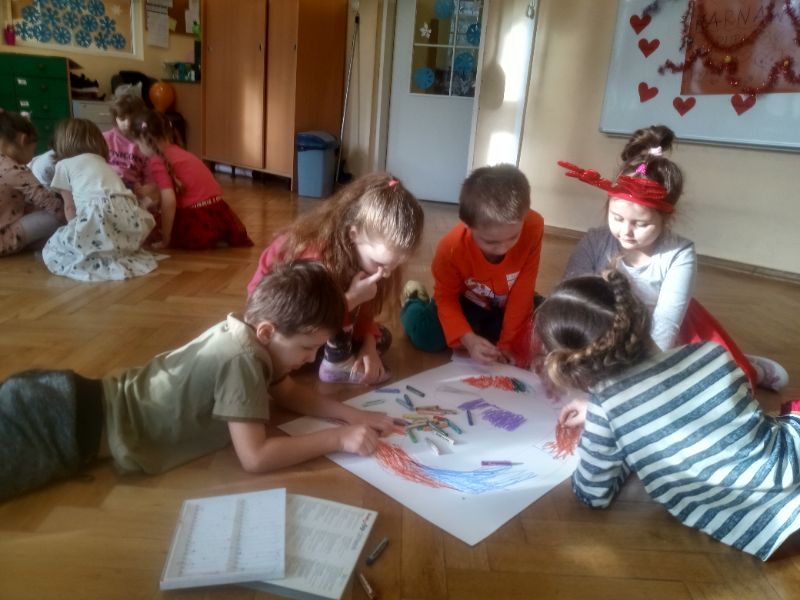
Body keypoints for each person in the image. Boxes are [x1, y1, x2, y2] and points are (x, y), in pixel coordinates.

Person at [0, 261, 400, 502]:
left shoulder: (249, 338)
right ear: (267, 331)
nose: (311, 359)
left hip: (65, 402)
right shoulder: (243, 359)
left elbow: (289, 393)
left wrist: (352, 414)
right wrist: (338, 439)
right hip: (60, 423)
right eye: (307, 348)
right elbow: (256, 457)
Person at [535, 270, 800, 561]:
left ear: (570, 363)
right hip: (788, 466)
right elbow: (743, 420)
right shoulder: (711, 353)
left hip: (752, 527)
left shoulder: (606, 408)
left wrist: (620, 446)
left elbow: (592, 494)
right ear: (642, 314)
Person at [559, 126, 787, 392]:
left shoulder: (679, 253)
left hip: (658, 337)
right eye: (617, 218)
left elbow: (666, 323)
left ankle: (747, 365)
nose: (626, 232)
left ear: (666, 218)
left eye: (641, 224)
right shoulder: (595, 241)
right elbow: (571, 295)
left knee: (709, 388)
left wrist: (640, 373)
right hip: (600, 329)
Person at [247, 173, 424, 385]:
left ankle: (328, 355)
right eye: (380, 263)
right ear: (353, 234)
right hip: (285, 323)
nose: (385, 273)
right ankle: (331, 362)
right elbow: (298, 316)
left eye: (394, 266)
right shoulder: (317, 259)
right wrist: (351, 299)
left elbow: (364, 313)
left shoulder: (365, 258)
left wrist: (368, 347)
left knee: (381, 337)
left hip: (321, 325)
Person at [400, 164, 544, 367]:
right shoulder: (450, 248)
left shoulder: (533, 226)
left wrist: (508, 344)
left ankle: (481, 328)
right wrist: (467, 338)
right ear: (468, 225)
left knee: (546, 328)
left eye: (513, 237)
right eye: (491, 242)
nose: (504, 248)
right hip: (466, 301)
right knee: (426, 336)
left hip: (506, 302)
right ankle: (413, 300)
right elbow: (447, 298)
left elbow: (523, 290)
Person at [41, 118, 158, 281]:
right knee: (103, 229)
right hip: (130, 219)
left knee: (54, 247)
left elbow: (69, 207)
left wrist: (75, 232)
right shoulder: (103, 163)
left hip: (100, 218)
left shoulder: (64, 165)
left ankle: (98, 249)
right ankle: (115, 249)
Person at [128, 110, 253, 250]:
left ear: (145, 139)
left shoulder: (158, 161)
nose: (138, 150)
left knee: (154, 226)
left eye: (138, 145)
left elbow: (169, 201)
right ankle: (214, 236)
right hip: (219, 215)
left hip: (197, 220)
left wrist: (166, 239)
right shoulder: (177, 150)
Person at [0, 110, 64, 256]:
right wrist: (74, 217)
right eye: (33, 151)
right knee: (54, 219)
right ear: (23, 140)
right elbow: (48, 202)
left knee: (34, 210)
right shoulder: (14, 169)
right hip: (4, 239)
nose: (33, 156)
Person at [102, 93, 158, 208]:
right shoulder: (104, 139)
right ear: (115, 117)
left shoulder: (144, 144)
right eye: (122, 118)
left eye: (133, 118)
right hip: (107, 190)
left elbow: (151, 180)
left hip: (133, 194)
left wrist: (144, 190)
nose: (127, 123)